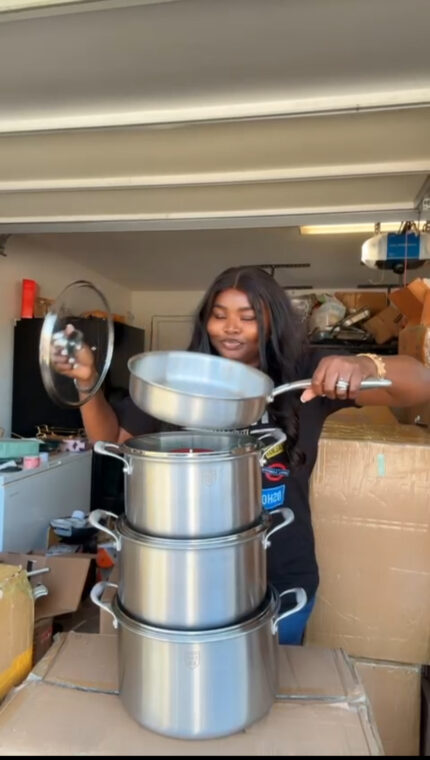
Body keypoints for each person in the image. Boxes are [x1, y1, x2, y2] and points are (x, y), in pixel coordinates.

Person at [52, 266, 430, 645]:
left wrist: (364, 365)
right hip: (187, 574)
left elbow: (420, 384)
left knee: (269, 675)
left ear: (273, 321)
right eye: (219, 316)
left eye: (248, 318)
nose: (231, 328)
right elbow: (111, 439)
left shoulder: (305, 372)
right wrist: (87, 381)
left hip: (280, 571)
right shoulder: (180, 379)